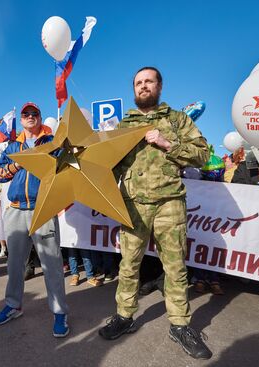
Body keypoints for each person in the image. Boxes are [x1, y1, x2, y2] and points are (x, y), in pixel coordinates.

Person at [98, 67, 212, 360]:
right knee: (128, 264)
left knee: (175, 267)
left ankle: (180, 325)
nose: (143, 86)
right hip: (133, 203)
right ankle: (125, 316)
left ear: (159, 86)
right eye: (138, 83)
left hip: (169, 202)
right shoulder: (124, 125)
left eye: (148, 81)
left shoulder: (176, 119)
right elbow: (111, 166)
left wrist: (166, 142)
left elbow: (202, 154)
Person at [0, 102, 69, 338]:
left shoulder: (53, 142)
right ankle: (13, 305)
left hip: (42, 209)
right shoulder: (14, 145)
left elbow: (66, 170)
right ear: (22, 119)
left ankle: (59, 312)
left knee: (52, 264)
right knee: (15, 264)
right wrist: (17, 164)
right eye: (26, 114)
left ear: (40, 117)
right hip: (15, 209)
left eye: (34, 113)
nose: (30, 117)